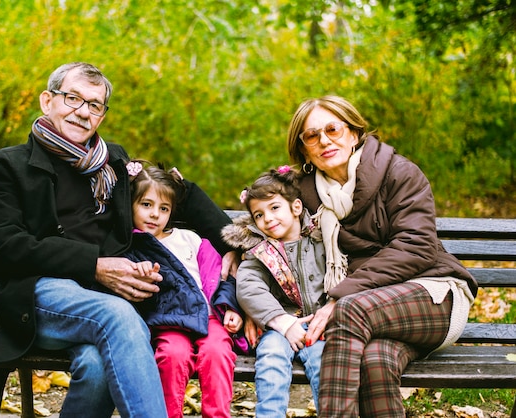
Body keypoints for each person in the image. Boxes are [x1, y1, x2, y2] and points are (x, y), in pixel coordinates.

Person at [0, 62, 238, 418]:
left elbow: (180, 194)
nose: (82, 112)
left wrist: (234, 245)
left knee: (98, 366)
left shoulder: (114, 160)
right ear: (46, 101)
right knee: (120, 316)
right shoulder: (6, 166)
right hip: (40, 295)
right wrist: (94, 266)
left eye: (94, 105)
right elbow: (7, 247)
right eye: (72, 98)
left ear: (101, 115)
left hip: (103, 300)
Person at [286, 95, 478, 417]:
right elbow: (265, 218)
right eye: (312, 135)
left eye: (333, 129)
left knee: (348, 310)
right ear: (303, 149)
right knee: (375, 361)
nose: (324, 140)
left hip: (432, 296)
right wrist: (237, 250)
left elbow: (417, 245)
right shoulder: (302, 195)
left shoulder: (397, 172)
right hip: (371, 314)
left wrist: (340, 297)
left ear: (354, 132)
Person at [123, 161, 247, 418]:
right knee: (172, 355)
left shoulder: (189, 239)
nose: (155, 214)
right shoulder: (131, 248)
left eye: (164, 208)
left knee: (217, 351)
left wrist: (231, 308)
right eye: (146, 205)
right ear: (130, 205)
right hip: (169, 322)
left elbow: (220, 276)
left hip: (209, 316)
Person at [221, 166, 328, 416]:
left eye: (274, 208)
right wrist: (282, 322)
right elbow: (248, 287)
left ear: (296, 207)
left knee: (326, 366)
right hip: (277, 327)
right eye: (258, 215)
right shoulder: (260, 252)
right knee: (270, 362)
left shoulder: (319, 240)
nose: (267, 218)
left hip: (318, 326)